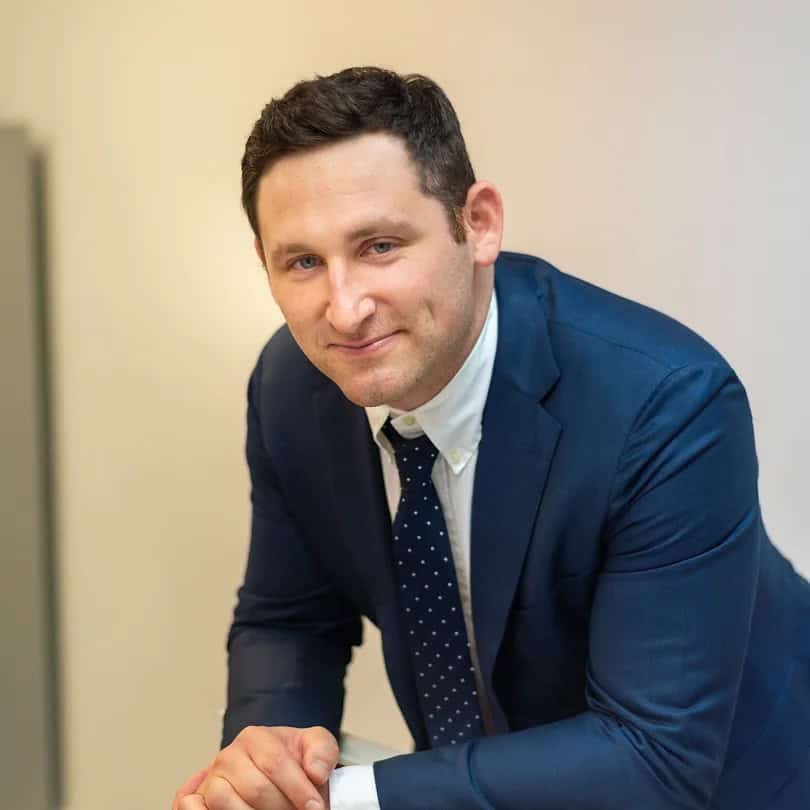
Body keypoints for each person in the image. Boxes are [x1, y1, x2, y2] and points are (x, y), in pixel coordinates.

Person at [173, 66, 810, 810]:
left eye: (379, 246)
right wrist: (269, 769)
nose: (344, 310)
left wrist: (348, 798)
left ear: (478, 224)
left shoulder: (667, 405)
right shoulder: (291, 387)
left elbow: (654, 758)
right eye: (304, 262)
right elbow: (290, 620)